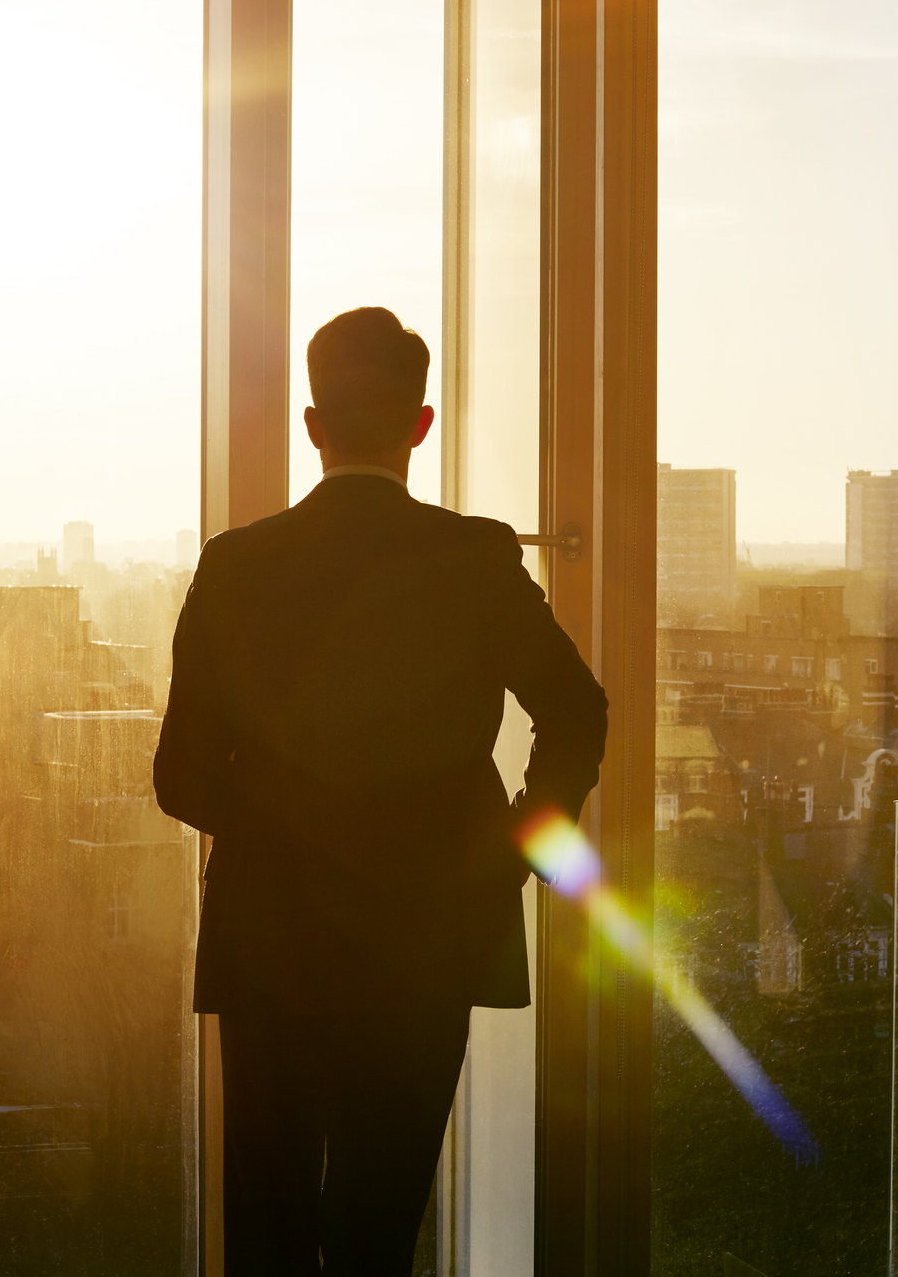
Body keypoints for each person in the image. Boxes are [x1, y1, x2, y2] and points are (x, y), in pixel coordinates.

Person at [153, 305, 608, 1274]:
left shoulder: (235, 564)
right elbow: (577, 713)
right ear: (420, 424)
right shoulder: (473, 557)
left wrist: (284, 832)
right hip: (429, 933)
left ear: (312, 426)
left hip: (269, 934)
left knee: (268, 1224)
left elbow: (180, 776)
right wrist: (508, 857)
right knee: (379, 1221)